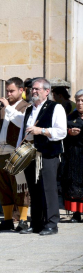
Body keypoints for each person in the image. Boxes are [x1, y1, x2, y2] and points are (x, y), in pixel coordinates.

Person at [17, 78, 67, 236]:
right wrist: (19, 148)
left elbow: (62, 132)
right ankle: (37, 223)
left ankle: (52, 224)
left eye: (38, 89)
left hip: (47, 154)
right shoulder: (29, 109)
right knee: (34, 190)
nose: (34, 91)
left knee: (49, 189)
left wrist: (42, 131)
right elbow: (22, 133)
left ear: (47, 91)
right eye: (32, 89)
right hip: (30, 153)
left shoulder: (55, 107)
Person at [0, 77, 30, 232]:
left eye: (12, 91)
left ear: (21, 91)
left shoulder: (26, 107)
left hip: (16, 152)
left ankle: (23, 219)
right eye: (7, 90)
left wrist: (8, 106)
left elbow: (21, 123)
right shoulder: (1, 108)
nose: (8, 93)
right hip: (0, 152)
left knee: (20, 187)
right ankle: (7, 220)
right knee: (3, 186)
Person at [61, 89, 83, 223]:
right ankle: (76, 213)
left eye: (82, 100)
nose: (80, 103)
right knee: (74, 184)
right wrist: (69, 132)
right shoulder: (69, 117)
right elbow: (60, 133)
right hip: (74, 155)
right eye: (78, 100)